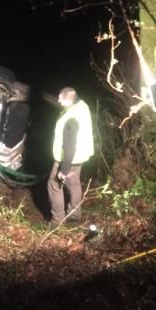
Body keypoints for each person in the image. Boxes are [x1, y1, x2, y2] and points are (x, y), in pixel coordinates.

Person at [47, 86, 94, 227]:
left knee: (54, 185)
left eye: (61, 100)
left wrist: (64, 169)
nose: (59, 102)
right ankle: (74, 217)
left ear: (68, 100)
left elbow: (70, 145)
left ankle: (57, 222)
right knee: (74, 184)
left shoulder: (71, 119)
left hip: (69, 158)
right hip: (80, 157)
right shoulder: (82, 106)